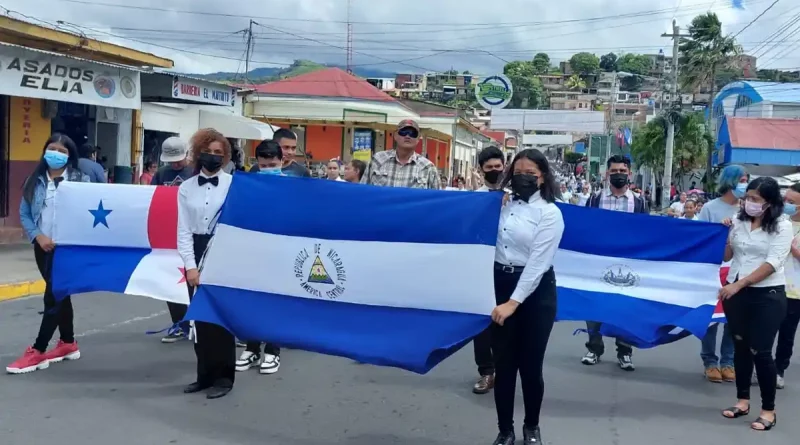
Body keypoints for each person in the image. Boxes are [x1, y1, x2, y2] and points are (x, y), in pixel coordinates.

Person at [490, 149, 563, 445]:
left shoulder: (550, 213)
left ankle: (531, 426)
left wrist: (513, 303)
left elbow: (537, 265)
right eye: (517, 171)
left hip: (535, 294)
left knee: (531, 367)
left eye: (530, 172)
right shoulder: (501, 206)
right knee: (504, 366)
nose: (523, 177)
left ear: (542, 176)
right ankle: (504, 430)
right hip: (499, 282)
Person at [7, 134, 90, 374]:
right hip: (42, 248)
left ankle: (38, 350)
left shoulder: (80, 180)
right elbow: (25, 214)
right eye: (51, 149)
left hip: (68, 249)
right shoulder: (34, 180)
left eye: (62, 151)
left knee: (54, 295)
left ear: (70, 155)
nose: (55, 154)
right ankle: (68, 342)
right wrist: (38, 236)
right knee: (60, 295)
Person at [719, 176, 791, 432]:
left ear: (770, 203)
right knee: (740, 347)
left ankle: (768, 411)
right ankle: (742, 401)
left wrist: (739, 285)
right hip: (736, 294)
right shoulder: (739, 220)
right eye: (747, 197)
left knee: (760, 351)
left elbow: (772, 263)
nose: (749, 203)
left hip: (766, 295)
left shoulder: (782, 226)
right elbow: (728, 255)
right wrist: (725, 234)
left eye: (755, 199)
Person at [178, 128, 236, 400]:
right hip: (196, 250)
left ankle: (224, 377)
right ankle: (204, 376)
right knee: (199, 320)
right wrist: (190, 266)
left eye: (218, 153)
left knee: (220, 320)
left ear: (225, 157)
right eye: (208, 152)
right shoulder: (185, 188)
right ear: (198, 152)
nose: (212, 157)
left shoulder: (234, 185)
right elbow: (183, 230)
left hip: (222, 251)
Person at [582, 155, 647, 371]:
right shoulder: (595, 199)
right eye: (614, 171)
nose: (618, 174)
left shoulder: (639, 202)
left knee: (626, 309)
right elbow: (587, 228)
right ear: (607, 174)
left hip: (627, 264)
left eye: (622, 170)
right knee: (593, 305)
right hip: (598, 262)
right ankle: (593, 348)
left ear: (629, 173)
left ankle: (625, 352)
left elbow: (646, 232)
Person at [697, 164, 749, 383]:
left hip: (739, 270)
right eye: (743, 180)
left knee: (733, 319)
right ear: (731, 181)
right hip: (714, 270)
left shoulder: (748, 208)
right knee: (712, 318)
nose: (745, 185)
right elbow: (699, 237)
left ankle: (728, 361)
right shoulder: (710, 208)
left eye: (747, 180)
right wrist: (718, 230)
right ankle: (710, 361)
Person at [152, 137, 196, 344]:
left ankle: (198, 323)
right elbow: (151, 198)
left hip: (193, 234)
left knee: (193, 281)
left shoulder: (196, 172)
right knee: (171, 281)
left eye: (178, 160)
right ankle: (179, 324)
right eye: (172, 161)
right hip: (168, 236)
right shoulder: (162, 174)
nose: (175, 165)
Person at [469, 146, 506, 395]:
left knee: (507, 322)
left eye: (498, 166)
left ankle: (506, 371)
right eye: (489, 167)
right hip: (481, 268)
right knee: (483, 323)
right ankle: (486, 372)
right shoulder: (473, 199)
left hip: (510, 267)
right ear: (481, 170)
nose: (494, 171)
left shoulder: (517, 195)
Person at [361, 119, 440, 189]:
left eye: (412, 133)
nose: (407, 136)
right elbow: (362, 190)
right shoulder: (378, 159)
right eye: (403, 132)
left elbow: (437, 200)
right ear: (395, 135)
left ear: (418, 139)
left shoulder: (428, 167)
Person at [777, 182, 800, 390]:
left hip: (795, 291)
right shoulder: (779, 222)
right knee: (762, 331)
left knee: (786, 333)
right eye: (786, 200)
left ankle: (779, 370)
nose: (787, 205)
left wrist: (795, 252)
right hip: (771, 285)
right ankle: (759, 366)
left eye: (792, 202)